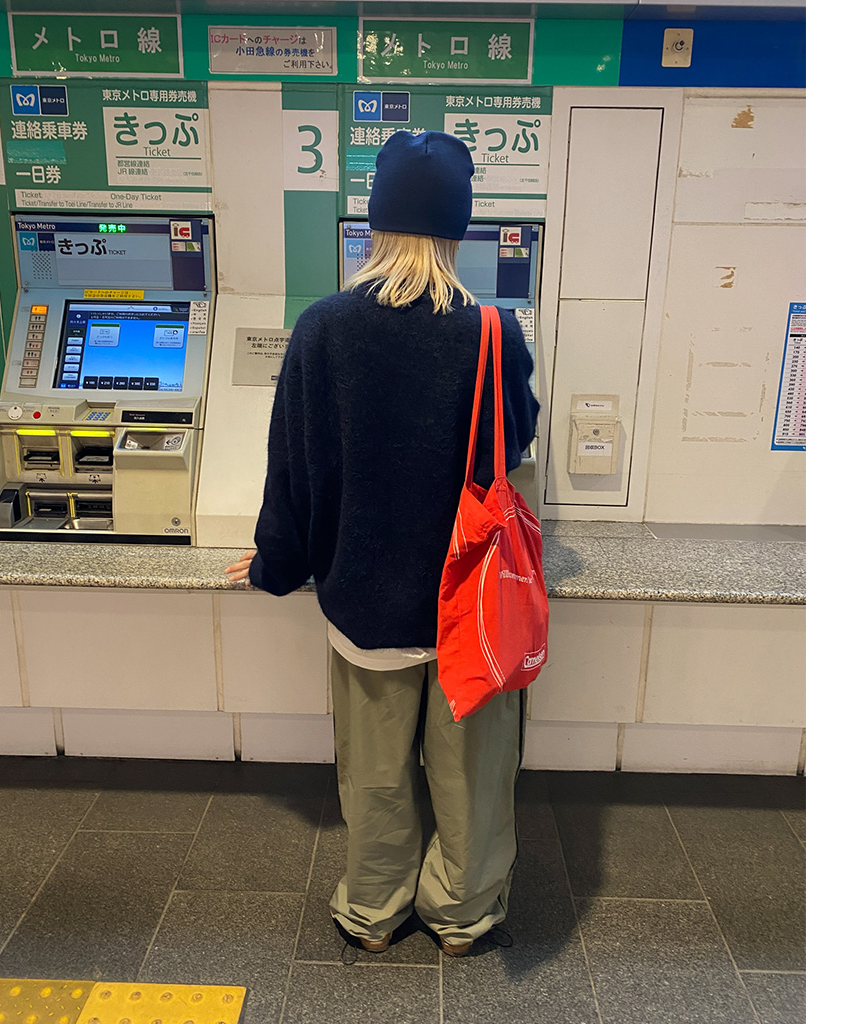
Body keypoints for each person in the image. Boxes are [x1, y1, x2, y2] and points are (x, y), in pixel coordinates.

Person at [225, 130, 540, 957]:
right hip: (471, 603)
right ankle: (461, 917)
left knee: (373, 776)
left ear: (375, 223)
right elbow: (513, 443)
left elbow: (294, 467)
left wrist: (276, 564)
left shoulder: (324, 328)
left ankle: (373, 913)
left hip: (366, 601)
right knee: (471, 777)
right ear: (458, 228)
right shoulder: (494, 332)